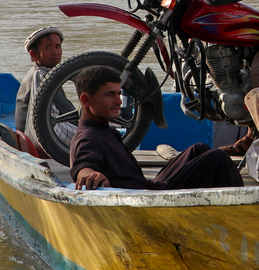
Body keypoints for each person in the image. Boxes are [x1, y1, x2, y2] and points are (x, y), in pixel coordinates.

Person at [70, 66, 243, 190]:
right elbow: (83, 165)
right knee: (218, 157)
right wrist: (88, 174)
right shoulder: (88, 137)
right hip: (144, 197)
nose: (118, 101)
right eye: (109, 95)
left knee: (198, 150)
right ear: (86, 100)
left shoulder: (103, 129)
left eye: (118, 93)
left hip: (147, 185)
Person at [15, 26, 75, 147]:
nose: (55, 52)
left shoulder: (40, 72)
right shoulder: (42, 76)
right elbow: (69, 112)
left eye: (58, 46)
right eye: (48, 47)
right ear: (34, 54)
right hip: (36, 141)